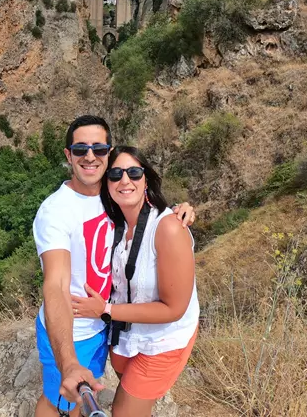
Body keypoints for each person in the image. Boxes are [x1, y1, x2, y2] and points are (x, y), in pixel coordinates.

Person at [33, 116, 195, 417]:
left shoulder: (113, 199)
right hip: (77, 329)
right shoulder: (55, 211)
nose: (90, 156)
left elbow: (149, 218)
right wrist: (67, 361)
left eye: (99, 149)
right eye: (80, 149)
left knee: (79, 400)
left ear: (108, 153)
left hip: (106, 326)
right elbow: (54, 284)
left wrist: (180, 212)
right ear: (68, 155)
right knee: (59, 402)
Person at [70, 146, 199, 417]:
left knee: (123, 411)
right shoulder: (112, 223)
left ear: (146, 179)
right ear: (107, 184)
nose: (125, 180)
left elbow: (173, 309)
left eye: (134, 172)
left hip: (163, 339)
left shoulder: (168, 228)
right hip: (127, 335)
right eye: (115, 174)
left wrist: (104, 310)